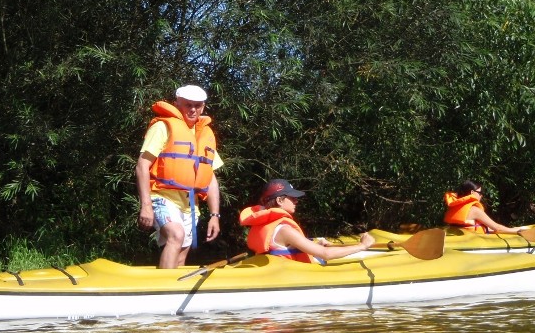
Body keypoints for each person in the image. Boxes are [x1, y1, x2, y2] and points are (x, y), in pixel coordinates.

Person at [135, 85, 222, 268]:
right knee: (176, 235)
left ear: (203, 106)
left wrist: (214, 215)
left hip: (190, 205)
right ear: (177, 104)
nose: (193, 110)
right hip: (162, 197)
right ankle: (165, 290)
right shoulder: (162, 127)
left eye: (197, 105)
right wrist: (146, 206)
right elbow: (142, 166)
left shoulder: (203, 134)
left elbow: (210, 178)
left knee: (181, 256)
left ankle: (173, 290)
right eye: (188, 105)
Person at [238, 179, 375, 263]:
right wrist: (362, 246)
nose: (296, 201)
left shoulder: (264, 224)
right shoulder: (284, 229)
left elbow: (286, 247)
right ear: (279, 200)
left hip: (277, 270)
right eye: (292, 198)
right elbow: (325, 255)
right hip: (290, 276)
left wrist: (316, 244)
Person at [443, 180, 522, 234]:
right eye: (480, 192)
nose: (482, 195)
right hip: (473, 244)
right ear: (472, 192)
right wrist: (518, 231)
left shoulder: (454, 207)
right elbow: (497, 228)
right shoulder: (475, 210)